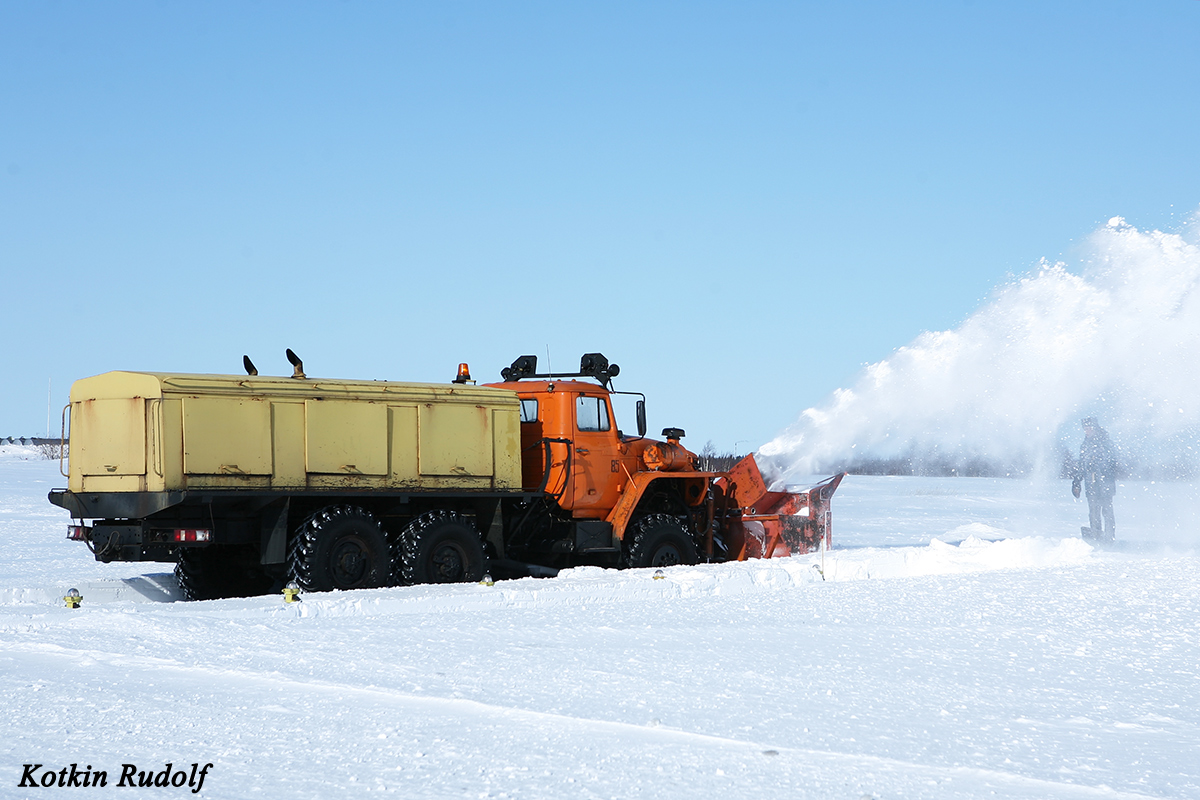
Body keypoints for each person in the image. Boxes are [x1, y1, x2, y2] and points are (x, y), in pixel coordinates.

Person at [1071, 417, 1117, 542]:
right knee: (1093, 512)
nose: (1087, 431)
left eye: (1089, 428)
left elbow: (1112, 462)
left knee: (1107, 512)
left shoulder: (1106, 442)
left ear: (1095, 427)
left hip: (1105, 484)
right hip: (1091, 484)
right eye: (1085, 428)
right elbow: (1082, 465)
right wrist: (1076, 482)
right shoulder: (1085, 444)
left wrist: (1098, 464)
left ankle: (1109, 538)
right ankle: (1096, 538)